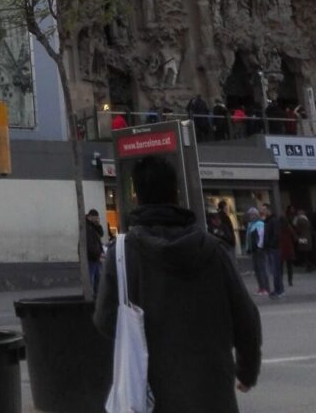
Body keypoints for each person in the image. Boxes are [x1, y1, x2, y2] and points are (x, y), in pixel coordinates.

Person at [95, 156, 261, 413]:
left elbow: (105, 320)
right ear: (175, 193)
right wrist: (247, 371)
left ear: (136, 196)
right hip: (211, 391)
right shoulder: (212, 250)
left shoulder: (123, 253)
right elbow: (246, 317)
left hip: (150, 392)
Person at [261, 205, 284, 298]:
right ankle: (279, 289)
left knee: (275, 270)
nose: (263, 211)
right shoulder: (268, 221)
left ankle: (279, 290)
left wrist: (271, 244)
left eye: (264, 210)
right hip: (270, 248)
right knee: (274, 270)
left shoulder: (273, 221)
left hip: (274, 248)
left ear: (269, 210)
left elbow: (276, 234)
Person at [245, 210, 269, 296]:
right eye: (249, 215)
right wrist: (248, 248)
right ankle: (261, 287)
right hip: (254, 250)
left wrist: (260, 246)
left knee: (262, 269)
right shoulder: (250, 225)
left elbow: (261, 236)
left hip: (259, 250)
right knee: (257, 269)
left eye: (252, 215)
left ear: (256, 215)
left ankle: (265, 288)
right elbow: (248, 238)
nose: (250, 217)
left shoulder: (259, 224)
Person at [85, 209, 107, 296]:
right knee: (91, 279)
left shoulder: (93, 226)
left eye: (98, 218)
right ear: (90, 217)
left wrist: (97, 224)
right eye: (95, 218)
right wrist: (98, 253)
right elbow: (89, 244)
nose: (97, 219)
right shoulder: (87, 227)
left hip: (96, 257)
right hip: (91, 257)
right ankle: (91, 296)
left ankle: (96, 296)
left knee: (98, 279)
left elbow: (101, 233)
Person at [280, 208, 297, 290]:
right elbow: (295, 238)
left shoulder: (278, 229)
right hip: (289, 248)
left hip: (280, 249)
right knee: (289, 266)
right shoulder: (289, 228)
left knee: (280, 266)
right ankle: (290, 280)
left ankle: (280, 280)